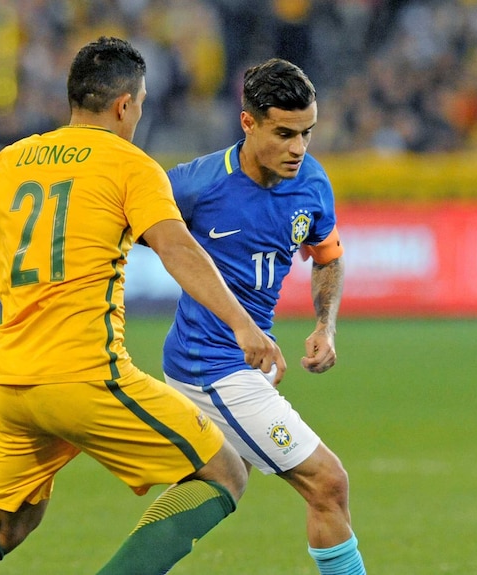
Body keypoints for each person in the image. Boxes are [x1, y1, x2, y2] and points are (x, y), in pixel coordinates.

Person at [0, 36, 286, 575]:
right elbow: (176, 247)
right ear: (124, 105)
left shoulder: (13, 160)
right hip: (88, 377)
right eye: (141, 103)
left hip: (15, 383)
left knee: (5, 522)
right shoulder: (129, 165)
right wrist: (244, 326)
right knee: (224, 472)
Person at [161, 58, 366, 574]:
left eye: (307, 133)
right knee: (328, 482)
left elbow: (327, 255)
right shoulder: (195, 185)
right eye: (285, 133)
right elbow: (120, 224)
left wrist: (326, 325)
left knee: (217, 485)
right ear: (248, 123)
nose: (299, 148)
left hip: (249, 362)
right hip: (210, 367)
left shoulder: (312, 182)